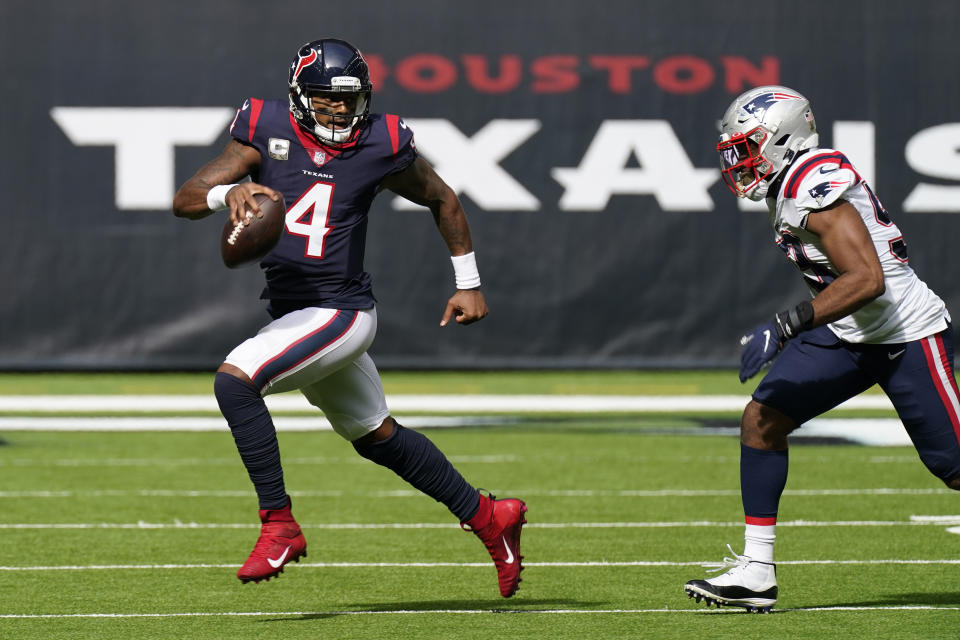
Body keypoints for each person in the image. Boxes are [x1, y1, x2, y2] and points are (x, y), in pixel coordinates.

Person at [172, 38, 526, 597]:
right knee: (376, 435)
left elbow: (442, 198)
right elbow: (187, 197)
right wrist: (229, 194)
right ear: (298, 96)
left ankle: (279, 523)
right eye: (326, 100)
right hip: (296, 313)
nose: (340, 111)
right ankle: (489, 516)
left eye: (350, 100)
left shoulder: (381, 142)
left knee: (235, 383)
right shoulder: (264, 128)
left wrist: (468, 284)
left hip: (340, 311)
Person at [683, 85, 960, 612]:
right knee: (762, 420)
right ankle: (756, 573)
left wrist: (787, 324)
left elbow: (867, 278)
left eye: (746, 147)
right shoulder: (784, 184)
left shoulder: (814, 179)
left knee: (954, 468)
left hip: (905, 334)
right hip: (850, 334)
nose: (738, 161)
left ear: (782, 139)